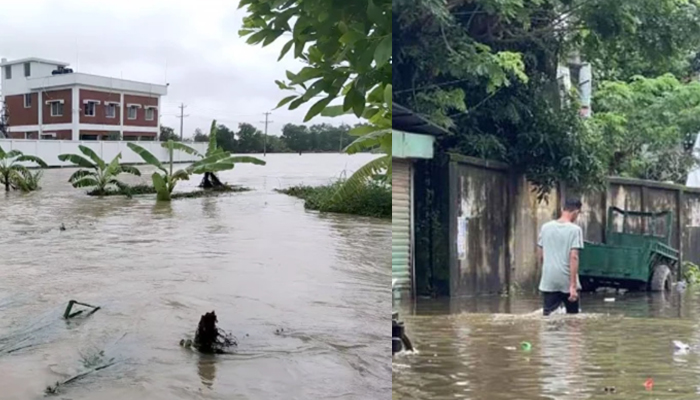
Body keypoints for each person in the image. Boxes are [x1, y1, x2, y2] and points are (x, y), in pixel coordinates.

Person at [537, 198, 584, 316]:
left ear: (563, 209)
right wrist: (573, 286)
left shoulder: (545, 227)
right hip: (567, 281)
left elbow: (541, 255)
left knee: (548, 318)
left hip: (549, 280)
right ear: (576, 212)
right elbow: (573, 257)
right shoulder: (575, 230)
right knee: (573, 319)